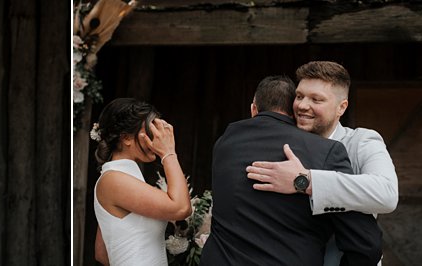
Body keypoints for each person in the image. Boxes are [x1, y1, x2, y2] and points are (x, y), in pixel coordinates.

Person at [200, 76, 382, 265]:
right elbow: (365, 244)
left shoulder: (224, 144)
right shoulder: (325, 151)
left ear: (254, 109)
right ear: (295, 112)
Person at [246, 61, 398, 265]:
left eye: (316, 99)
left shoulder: (362, 141)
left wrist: (304, 181)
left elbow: (387, 193)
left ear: (341, 107)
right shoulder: (283, 143)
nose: (302, 105)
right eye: (299, 96)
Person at [91, 98, 192, 266]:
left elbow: (102, 253)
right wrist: (168, 153)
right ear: (126, 138)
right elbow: (181, 208)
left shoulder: (121, 178)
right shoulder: (114, 179)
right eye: (151, 131)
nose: (157, 138)